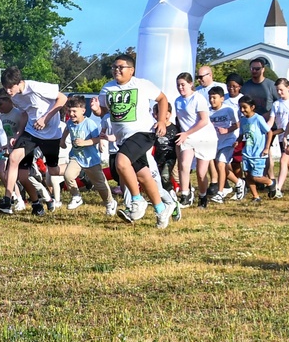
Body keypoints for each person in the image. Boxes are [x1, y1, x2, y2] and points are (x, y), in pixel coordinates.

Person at [95, 54, 173, 228]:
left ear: (131, 70)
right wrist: (95, 109)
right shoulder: (107, 88)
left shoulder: (141, 84)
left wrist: (161, 120)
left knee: (121, 163)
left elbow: (162, 99)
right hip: (123, 138)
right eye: (114, 67)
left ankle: (138, 201)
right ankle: (162, 209)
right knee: (144, 175)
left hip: (143, 133)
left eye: (121, 67)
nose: (116, 70)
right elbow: (103, 111)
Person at [0, 67, 67, 216]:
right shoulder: (13, 96)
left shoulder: (36, 87)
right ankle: (8, 201)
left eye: (10, 87)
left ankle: (81, 171)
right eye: (5, 88)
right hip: (31, 132)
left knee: (53, 171)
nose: (8, 91)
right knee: (15, 163)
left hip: (51, 134)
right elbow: (25, 114)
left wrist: (45, 119)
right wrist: (18, 134)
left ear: (19, 82)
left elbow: (62, 98)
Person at [60, 95, 116, 214]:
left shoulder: (89, 123)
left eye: (74, 111)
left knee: (100, 185)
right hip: (76, 157)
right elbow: (67, 129)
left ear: (83, 111)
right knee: (68, 175)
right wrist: (62, 140)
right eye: (69, 111)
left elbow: (97, 138)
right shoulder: (70, 122)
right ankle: (76, 196)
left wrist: (84, 142)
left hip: (91, 159)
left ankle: (110, 202)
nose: (71, 114)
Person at [174, 72, 217, 208]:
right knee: (184, 165)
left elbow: (204, 121)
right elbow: (181, 121)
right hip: (188, 137)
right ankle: (185, 195)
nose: (180, 88)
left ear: (191, 84)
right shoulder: (177, 101)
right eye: (178, 85)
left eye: (183, 85)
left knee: (200, 172)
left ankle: (203, 196)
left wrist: (187, 133)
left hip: (204, 137)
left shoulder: (198, 98)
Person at [0, 89, 27, 212]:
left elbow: (23, 130)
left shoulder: (18, 113)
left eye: (0, 104)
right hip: (5, 149)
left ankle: (19, 198)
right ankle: (14, 197)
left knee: (4, 171)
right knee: (4, 173)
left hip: (16, 149)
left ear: (9, 101)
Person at [236, 96, 273, 201]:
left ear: (252, 107)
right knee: (247, 175)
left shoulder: (258, 118)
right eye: (240, 108)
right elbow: (242, 134)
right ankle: (255, 196)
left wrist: (266, 148)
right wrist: (237, 141)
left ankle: (270, 182)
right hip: (247, 152)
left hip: (258, 153)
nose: (242, 110)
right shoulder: (243, 120)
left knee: (256, 177)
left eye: (244, 107)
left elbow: (269, 132)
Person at [208, 85, 241, 203]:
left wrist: (227, 130)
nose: (212, 100)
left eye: (214, 98)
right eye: (210, 98)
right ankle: (239, 182)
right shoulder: (208, 112)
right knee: (221, 167)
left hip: (228, 140)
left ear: (222, 98)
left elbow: (237, 124)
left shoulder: (228, 109)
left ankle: (220, 193)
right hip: (215, 142)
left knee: (221, 165)